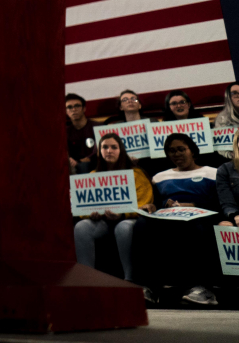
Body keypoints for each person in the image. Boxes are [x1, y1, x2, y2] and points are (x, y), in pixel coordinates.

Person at [133, 133, 220, 306]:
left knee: (194, 226)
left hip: (200, 217)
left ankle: (201, 288)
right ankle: (148, 287)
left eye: (181, 149)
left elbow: (219, 202)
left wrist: (192, 204)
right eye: (172, 151)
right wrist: (152, 206)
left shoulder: (212, 173)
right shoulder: (159, 177)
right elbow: (156, 203)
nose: (177, 154)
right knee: (142, 224)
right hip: (168, 218)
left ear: (193, 151)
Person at [72, 134, 152, 287]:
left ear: (121, 150)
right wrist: (91, 213)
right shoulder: (93, 176)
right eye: (105, 147)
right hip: (102, 221)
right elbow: (83, 206)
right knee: (81, 227)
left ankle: (130, 279)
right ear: (99, 151)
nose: (109, 151)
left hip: (128, 220)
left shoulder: (136, 174)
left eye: (114, 147)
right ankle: (86, 280)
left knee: (123, 227)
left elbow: (144, 203)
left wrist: (122, 214)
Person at [65, 93, 98, 173]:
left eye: (77, 106)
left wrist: (84, 160)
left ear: (84, 109)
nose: (73, 109)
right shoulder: (65, 132)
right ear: (66, 111)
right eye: (69, 107)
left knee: (84, 165)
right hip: (74, 165)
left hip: (96, 162)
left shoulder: (97, 126)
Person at [216, 133, 239, 227]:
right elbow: (228, 203)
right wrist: (235, 215)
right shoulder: (225, 169)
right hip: (237, 215)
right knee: (224, 226)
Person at [213, 83, 239, 162]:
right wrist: (232, 155)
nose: (238, 95)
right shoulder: (222, 119)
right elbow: (221, 147)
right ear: (229, 97)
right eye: (234, 93)